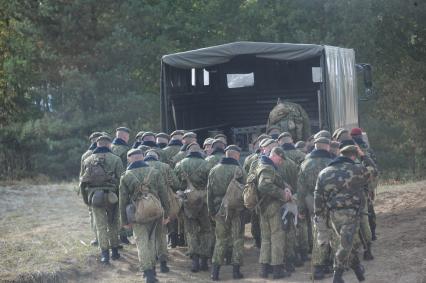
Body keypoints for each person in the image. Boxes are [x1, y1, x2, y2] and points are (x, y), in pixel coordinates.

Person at [314, 145, 377, 283]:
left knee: (347, 243)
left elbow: (318, 196)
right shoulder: (357, 169)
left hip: (333, 214)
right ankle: (337, 275)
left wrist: (319, 215)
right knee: (346, 244)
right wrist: (363, 156)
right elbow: (374, 170)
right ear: (353, 156)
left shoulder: (324, 173)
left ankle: (358, 270)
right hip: (351, 213)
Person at [119, 149, 170, 283]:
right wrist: (167, 213)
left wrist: (124, 220)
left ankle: (148, 273)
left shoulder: (125, 176)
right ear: (142, 157)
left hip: (137, 213)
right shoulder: (155, 172)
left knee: (142, 242)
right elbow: (164, 193)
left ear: (129, 159)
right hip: (156, 211)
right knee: (152, 240)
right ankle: (152, 268)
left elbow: (122, 201)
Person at [79, 135, 124, 264]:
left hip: (95, 197)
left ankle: (105, 255)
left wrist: (87, 200)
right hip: (112, 197)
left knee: (100, 226)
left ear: (97, 144)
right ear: (109, 145)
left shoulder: (87, 160)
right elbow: (121, 181)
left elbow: (83, 183)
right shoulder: (116, 159)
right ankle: (115, 252)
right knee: (113, 224)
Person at [207, 145, 246, 281]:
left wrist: (211, 211)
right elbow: (246, 192)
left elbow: (209, 193)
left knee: (220, 240)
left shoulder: (213, 170)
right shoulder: (239, 170)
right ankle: (236, 272)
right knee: (237, 239)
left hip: (219, 210)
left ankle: (215, 273)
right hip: (237, 210)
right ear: (236, 155)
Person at [297, 136, 334, 279]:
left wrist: (300, 209)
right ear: (328, 146)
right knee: (331, 232)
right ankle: (329, 263)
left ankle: (318, 267)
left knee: (318, 232)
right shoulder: (332, 162)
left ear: (316, 146)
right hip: (329, 202)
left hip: (312, 202)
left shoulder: (305, 163)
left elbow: (300, 190)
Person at [174, 142, 212, 273]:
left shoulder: (180, 164)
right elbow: (211, 185)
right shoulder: (208, 164)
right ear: (200, 151)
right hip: (204, 201)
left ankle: (194, 260)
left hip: (187, 202)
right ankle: (204, 261)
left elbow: (176, 185)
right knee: (206, 230)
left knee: (191, 231)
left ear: (188, 151)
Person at [256, 147, 292, 279]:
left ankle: (264, 269)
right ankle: (277, 269)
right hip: (272, 206)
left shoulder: (263, 165)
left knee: (266, 238)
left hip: (264, 207)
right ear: (275, 155)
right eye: (281, 159)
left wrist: (286, 187)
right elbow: (263, 186)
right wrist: (283, 194)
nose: (281, 162)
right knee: (277, 236)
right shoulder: (267, 167)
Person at [144, 149, 179, 273]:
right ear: (157, 157)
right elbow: (176, 183)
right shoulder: (165, 166)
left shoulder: (139, 168)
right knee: (160, 234)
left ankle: (151, 261)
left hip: (143, 205)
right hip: (160, 203)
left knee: (147, 234)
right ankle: (163, 262)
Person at [351, 127, 378, 241]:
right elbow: (374, 166)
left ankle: (361, 237)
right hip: (368, 184)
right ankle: (372, 233)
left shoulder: (350, 148)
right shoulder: (368, 150)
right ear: (361, 136)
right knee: (369, 209)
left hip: (355, 185)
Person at [80, 131, 103, 246]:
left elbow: (82, 176)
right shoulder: (108, 152)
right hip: (109, 189)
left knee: (94, 215)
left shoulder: (85, 155)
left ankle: (97, 238)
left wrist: (83, 193)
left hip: (91, 191)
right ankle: (111, 239)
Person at [111, 127, 132, 245]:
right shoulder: (127, 150)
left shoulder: (109, 148)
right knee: (121, 209)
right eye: (128, 136)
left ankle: (111, 235)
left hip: (108, 184)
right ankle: (123, 235)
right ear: (125, 137)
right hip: (121, 184)